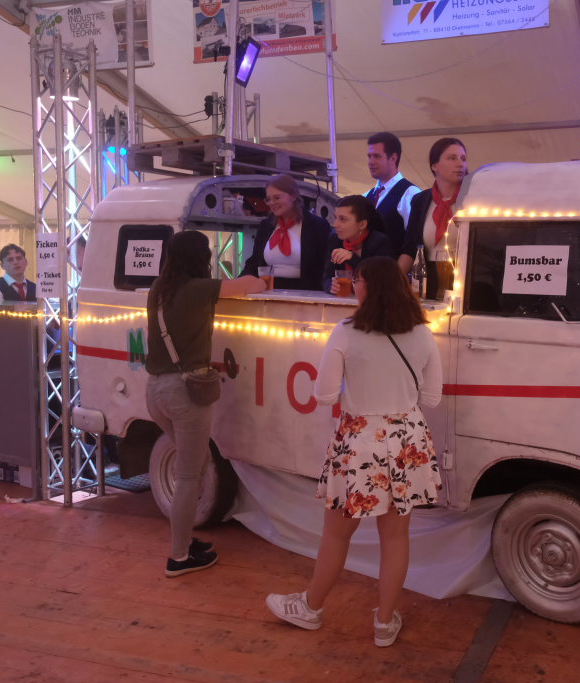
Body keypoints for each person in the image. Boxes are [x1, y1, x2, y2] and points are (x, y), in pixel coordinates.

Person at [265, 256, 443, 648]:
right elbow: (431, 398)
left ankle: (311, 608)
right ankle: (384, 623)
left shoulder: (346, 332)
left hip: (360, 440)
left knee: (336, 534)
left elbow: (325, 394)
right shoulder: (422, 332)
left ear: (369, 287)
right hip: (407, 440)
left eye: (357, 279)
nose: (353, 285)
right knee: (395, 538)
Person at [145, 230, 266, 577]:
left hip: (155, 390)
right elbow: (254, 285)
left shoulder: (158, 288)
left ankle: (184, 539)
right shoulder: (200, 289)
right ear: (202, 257)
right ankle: (178, 557)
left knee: (194, 468)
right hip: (185, 392)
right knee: (188, 475)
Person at [399, 137, 468, 300]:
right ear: (434, 165)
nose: (460, 164)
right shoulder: (421, 200)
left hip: (464, 286)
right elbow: (410, 248)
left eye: (463, 158)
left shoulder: (472, 199)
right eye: (452, 158)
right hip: (427, 285)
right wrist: (391, 280)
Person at [240, 174, 331, 291]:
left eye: (277, 198)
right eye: (268, 199)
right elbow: (254, 262)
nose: (271, 203)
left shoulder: (317, 225)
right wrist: (238, 283)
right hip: (268, 290)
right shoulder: (266, 226)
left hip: (306, 292)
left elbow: (325, 266)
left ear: (293, 196)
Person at [323, 195, 396, 294]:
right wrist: (331, 286)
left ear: (362, 224)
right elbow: (327, 276)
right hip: (344, 298)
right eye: (336, 218)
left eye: (342, 219)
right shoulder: (335, 239)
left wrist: (352, 258)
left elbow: (379, 281)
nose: (335, 224)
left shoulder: (380, 242)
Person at [365, 132, 421, 256]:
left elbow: (415, 243)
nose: (371, 162)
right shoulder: (366, 196)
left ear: (393, 158)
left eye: (376, 156)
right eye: (369, 156)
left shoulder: (411, 194)